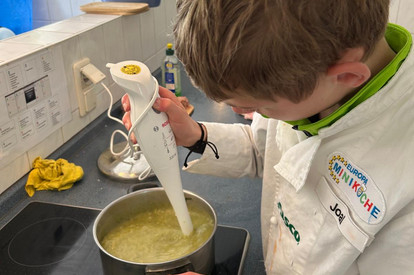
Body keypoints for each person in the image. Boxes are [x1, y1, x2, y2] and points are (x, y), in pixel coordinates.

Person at [123, 0, 414, 274]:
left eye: (258, 107)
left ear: (348, 76)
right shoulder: (304, 72)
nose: (245, 112)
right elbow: (266, 150)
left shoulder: (405, 184)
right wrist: (196, 136)